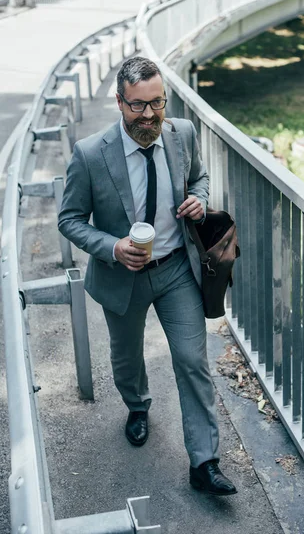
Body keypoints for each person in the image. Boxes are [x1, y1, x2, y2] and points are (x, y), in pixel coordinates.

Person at [58, 56, 237, 496]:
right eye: (138, 106)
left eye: (157, 103)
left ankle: (204, 461)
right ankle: (137, 407)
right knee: (127, 359)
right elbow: (70, 219)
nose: (151, 115)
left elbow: (198, 177)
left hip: (176, 269)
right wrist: (113, 247)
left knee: (193, 360)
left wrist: (198, 199)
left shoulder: (182, 133)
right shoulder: (89, 154)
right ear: (119, 102)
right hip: (123, 276)